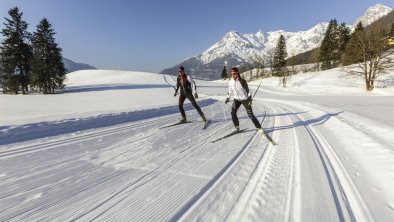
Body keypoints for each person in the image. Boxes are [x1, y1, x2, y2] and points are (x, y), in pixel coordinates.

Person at [225, 67, 261, 132]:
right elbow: (230, 90)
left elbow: (248, 90)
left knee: (250, 114)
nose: (233, 75)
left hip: (245, 99)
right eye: (231, 74)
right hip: (236, 99)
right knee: (233, 113)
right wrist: (228, 97)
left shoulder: (242, 81)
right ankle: (237, 127)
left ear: (238, 73)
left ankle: (258, 126)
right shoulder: (230, 82)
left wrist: (249, 99)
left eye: (234, 74)